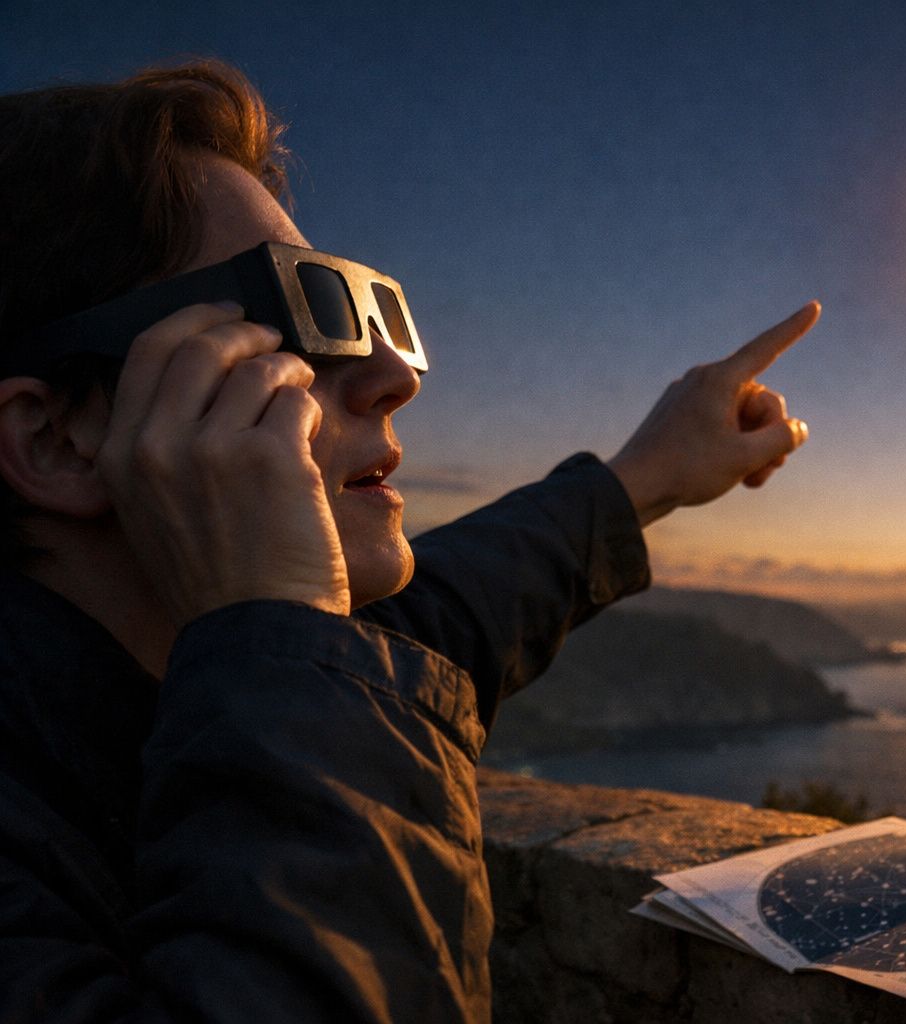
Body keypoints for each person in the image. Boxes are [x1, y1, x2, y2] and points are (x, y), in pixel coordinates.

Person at [0, 60, 816, 1020]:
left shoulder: (199, 679)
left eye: (372, 308)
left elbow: (463, 599)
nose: (394, 374)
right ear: (56, 439)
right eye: (296, 305)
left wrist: (651, 472)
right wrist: (275, 616)